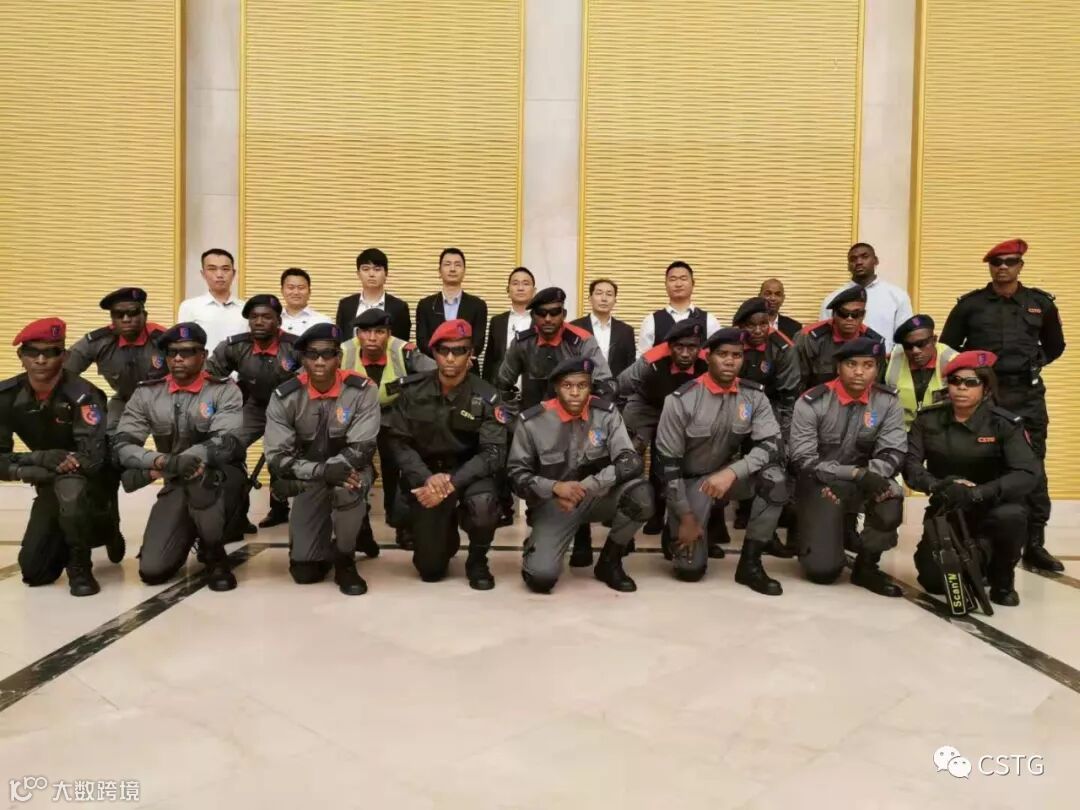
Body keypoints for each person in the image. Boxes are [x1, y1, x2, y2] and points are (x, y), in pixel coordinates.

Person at [940, 238, 1066, 572]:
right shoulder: (971, 305)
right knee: (980, 461)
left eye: (1010, 262)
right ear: (990, 267)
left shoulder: (1040, 304)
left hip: (1027, 397)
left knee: (1032, 465)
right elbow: (948, 348)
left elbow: (1055, 346)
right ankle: (978, 540)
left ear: (1020, 265)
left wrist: (1033, 363)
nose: (1003, 268)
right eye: (997, 263)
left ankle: (1034, 544)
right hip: (985, 396)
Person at [653, 328, 788, 593]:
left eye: (736, 355)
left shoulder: (754, 396)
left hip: (728, 476)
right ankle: (676, 526)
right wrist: (685, 516)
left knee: (775, 480)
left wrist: (733, 472)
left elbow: (772, 444)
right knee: (689, 571)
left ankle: (750, 564)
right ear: (707, 357)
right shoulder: (680, 400)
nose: (729, 361)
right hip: (689, 483)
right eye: (722, 354)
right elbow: (667, 468)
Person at [114, 323, 246, 591]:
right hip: (176, 478)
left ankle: (214, 553)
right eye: (172, 352)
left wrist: (186, 459)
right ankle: (191, 531)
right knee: (152, 571)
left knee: (202, 481)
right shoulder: (147, 393)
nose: (177, 358)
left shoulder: (223, 390)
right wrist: (163, 462)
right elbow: (124, 444)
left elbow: (226, 441)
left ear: (203, 355)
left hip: (220, 478)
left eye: (187, 352)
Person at [904, 351, 1039, 607]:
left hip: (992, 506)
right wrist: (939, 485)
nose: (961, 388)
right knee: (933, 582)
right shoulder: (928, 420)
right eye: (955, 381)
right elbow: (911, 466)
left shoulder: (1003, 424)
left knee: (1012, 515)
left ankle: (1002, 579)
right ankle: (975, 559)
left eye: (971, 382)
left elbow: (1027, 473)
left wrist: (978, 492)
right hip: (948, 505)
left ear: (986, 388)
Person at [507, 357, 652, 594]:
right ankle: (539, 544)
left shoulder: (606, 414)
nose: (575, 393)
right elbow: (516, 476)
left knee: (641, 496)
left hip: (596, 496)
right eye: (567, 386)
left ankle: (610, 562)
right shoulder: (532, 422)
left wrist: (588, 486)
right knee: (540, 578)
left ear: (590, 386)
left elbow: (629, 461)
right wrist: (555, 487)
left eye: (582, 385)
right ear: (556, 387)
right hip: (554, 504)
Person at [383, 319, 507, 589]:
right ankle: (444, 531)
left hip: (469, 474)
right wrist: (426, 478)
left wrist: (451, 482)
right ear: (434, 353)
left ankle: (477, 560)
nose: (450, 358)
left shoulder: (487, 396)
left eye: (459, 350)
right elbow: (398, 443)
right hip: (426, 474)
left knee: (484, 506)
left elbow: (493, 452)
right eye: (444, 351)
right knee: (430, 569)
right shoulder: (412, 391)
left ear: (470, 354)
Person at [496, 287, 616, 566]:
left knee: (581, 471)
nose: (548, 319)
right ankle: (539, 528)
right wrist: (515, 423)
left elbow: (606, 385)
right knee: (536, 478)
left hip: (578, 421)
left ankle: (582, 534)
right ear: (533, 316)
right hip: (538, 426)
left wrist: (592, 417)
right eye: (542, 313)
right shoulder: (523, 342)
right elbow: (502, 384)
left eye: (555, 313)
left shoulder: (582, 341)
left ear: (564, 313)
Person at [264, 322, 380, 595]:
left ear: (339, 357)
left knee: (346, 488)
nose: (319, 361)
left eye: (327, 354)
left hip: (351, 470)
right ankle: (352, 527)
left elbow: (363, 447)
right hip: (312, 477)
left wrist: (334, 470)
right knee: (305, 572)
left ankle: (345, 559)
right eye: (312, 354)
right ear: (303, 358)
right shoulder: (285, 396)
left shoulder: (363, 390)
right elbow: (278, 458)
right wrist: (321, 471)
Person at [1, 318, 110, 596]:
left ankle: (80, 563)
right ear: (21, 356)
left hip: (84, 479)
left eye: (51, 352)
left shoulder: (84, 396)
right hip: (47, 477)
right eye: (32, 352)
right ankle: (73, 529)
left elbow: (93, 458)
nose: (41, 360)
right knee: (35, 572)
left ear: (65, 356)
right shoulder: (6, 396)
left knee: (71, 492)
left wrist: (50, 465)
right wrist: (37, 462)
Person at [788, 337, 905, 596]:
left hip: (866, 480)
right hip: (821, 483)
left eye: (868, 365)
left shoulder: (888, 402)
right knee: (823, 572)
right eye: (852, 364)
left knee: (891, 496)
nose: (859, 372)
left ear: (877, 369)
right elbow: (803, 460)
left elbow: (893, 451)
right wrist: (850, 474)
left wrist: (868, 476)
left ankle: (866, 567)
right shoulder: (812, 402)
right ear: (838, 367)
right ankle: (819, 536)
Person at [65, 287, 168, 562]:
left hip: (164, 402)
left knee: (176, 458)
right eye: (118, 315)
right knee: (105, 458)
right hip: (123, 402)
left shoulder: (163, 339)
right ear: (112, 318)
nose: (126, 319)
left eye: (132, 313)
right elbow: (63, 374)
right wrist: (88, 399)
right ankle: (109, 527)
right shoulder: (98, 341)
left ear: (144, 314)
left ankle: (172, 530)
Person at [206, 294, 301, 530]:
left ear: (278, 321)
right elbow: (210, 374)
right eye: (254, 317)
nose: (259, 322)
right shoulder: (235, 346)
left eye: (266, 317)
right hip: (255, 406)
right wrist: (228, 396)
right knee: (229, 447)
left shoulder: (295, 346)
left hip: (289, 410)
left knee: (278, 453)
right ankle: (238, 515)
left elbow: (314, 377)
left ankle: (279, 508)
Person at [343, 308, 435, 551]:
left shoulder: (404, 351)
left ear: (389, 333)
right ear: (357, 334)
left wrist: (412, 395)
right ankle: (361, 529)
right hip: (355, 418)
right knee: (353, 468)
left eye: (379, 332)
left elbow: (436, 373)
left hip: (395, 416)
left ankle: (402, 525)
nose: (372, 338)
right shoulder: (344, 351)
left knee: (401, 468)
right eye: (366, 332)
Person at [616, 319, 708, 553]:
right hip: (647, 405)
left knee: (672, 461)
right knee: (629, 462)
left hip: (683, 412)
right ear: (669, 346)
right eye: (679, 347)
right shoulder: (651, 359)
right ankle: (625, 529)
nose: (685, 353)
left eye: (692, 347)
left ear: (700, 346)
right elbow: (622, 384)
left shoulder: (709, 361)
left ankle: (670, 523)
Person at [729, 296, 801, 556]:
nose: (758, 330)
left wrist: (783, 434)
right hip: (731, 409)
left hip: (770, 411)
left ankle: (766, 531)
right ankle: (733, 514)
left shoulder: (783, 347)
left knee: (769, 462)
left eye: (764, 323)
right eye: (751, 325)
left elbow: (788, 395)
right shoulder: (731, 344)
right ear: (741, 326)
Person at [819, 243, 913, 351]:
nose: (859, 262)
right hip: (843, 360)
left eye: (864, 257)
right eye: (853, 259)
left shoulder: (897, 296)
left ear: (876, 261)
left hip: (884, 359)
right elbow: (824, 339)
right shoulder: (832, 300)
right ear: (848, 266)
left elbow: (905, 338)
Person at [796, 286, 885, 391]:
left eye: (856, 314)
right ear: (834, 314)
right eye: (844, 314)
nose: (850, 318)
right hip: (818, 398)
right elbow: (797, 383)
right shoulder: (809, 338)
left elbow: (875, 385)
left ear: (863, 315)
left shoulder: (874, 342)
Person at [415, 248, 488, 367]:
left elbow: (478, 341)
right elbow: (422, 341)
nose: (452, 269)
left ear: (464, 271)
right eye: (447, 264)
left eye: (457, 265)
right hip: (433, 368)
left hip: (467, 368)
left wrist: (461, 359)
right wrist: (442, 359)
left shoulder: (478, 305)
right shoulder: (426, 305)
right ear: (439, 271)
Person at [884, 314, 958, 429]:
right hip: (902, 430)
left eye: (921, 344)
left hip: (942, 429)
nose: (915, 351)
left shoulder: (954, 362)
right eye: (908, 346)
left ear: (934, 340)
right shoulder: (892, 360)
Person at [637, 261, 722, 354]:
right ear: (665, 285)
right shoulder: (651, 320)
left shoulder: (709, 320)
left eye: (683, 279)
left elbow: (717, 355)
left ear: (693, 283)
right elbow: (642, 359)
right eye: (673, 279)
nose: (678, 284)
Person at [177, 248, 248, 352]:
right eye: (212, 269)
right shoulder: (189, 306)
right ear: (203, 274)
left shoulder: (246, 308)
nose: (219, 275)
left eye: (225, 269)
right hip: (204, 362)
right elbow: (183, 344)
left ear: (233, 273)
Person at [335, 248, 411, 341]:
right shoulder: (346, 305)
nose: (371, 274)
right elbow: (340, 342)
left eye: (377, 269)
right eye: (365, 269)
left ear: (386, 273)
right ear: (358, 274)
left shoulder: (399, 307)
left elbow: (401, 343)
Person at [571, 278, 636, 378]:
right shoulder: (575, 327)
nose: (604, 298)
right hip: (583, 384)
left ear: (615, 300)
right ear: (590, 298)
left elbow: (630, 366)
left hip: (616, 385)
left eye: (609, 294)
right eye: (599, 293)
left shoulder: (626, 331)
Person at [482, 266, 536, 384]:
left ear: (534, 291)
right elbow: (489, 360)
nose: (520, 288)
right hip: (501, 389)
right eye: (515, 283)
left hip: (534, 389)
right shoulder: (497, 321)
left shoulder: (542, 321)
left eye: (526, 284)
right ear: (508, 290)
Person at [279, 268, 332, 336]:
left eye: (301, 288)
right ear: (282, 291)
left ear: (309, 291)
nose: (296, 292)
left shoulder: (323, 321)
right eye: (291, 287)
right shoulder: (272, 321)